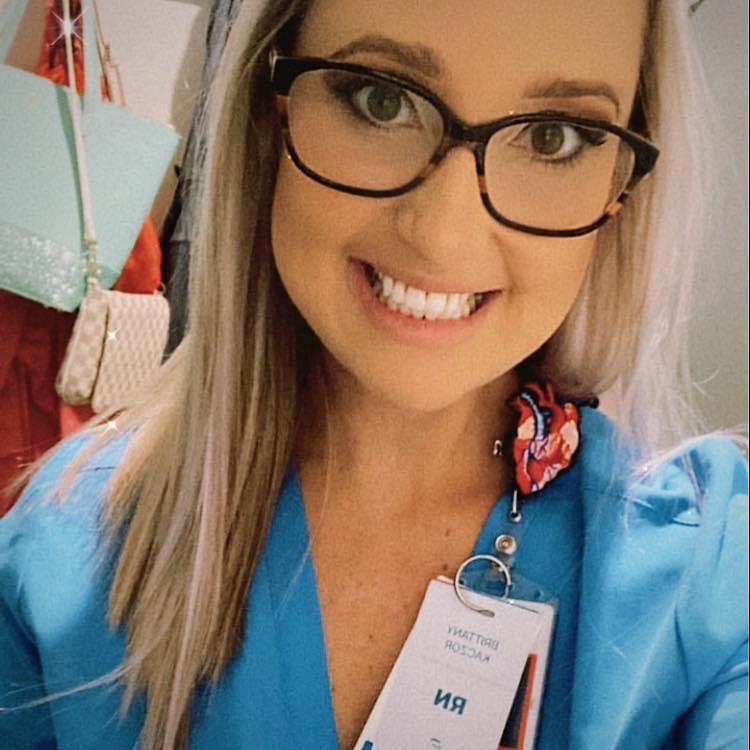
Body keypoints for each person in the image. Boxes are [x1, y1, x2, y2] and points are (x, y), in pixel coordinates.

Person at [0, 1, 747, 748]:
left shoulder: (710, 583)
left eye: (556, 137)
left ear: (622, 185)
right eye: (380, 99)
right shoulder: (63, 549)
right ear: (271, 112)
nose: (442, 234)